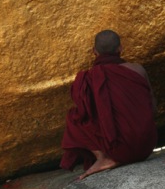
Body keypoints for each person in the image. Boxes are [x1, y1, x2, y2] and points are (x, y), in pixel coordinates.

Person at [60, 30, 157, 180]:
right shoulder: (138, 69)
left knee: (74, 117)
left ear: (94, 52)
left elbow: (85, 113)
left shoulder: (90, 77)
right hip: (147, 146)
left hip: (118, 151)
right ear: (120, 48)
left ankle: (103, 157)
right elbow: (152, 106)